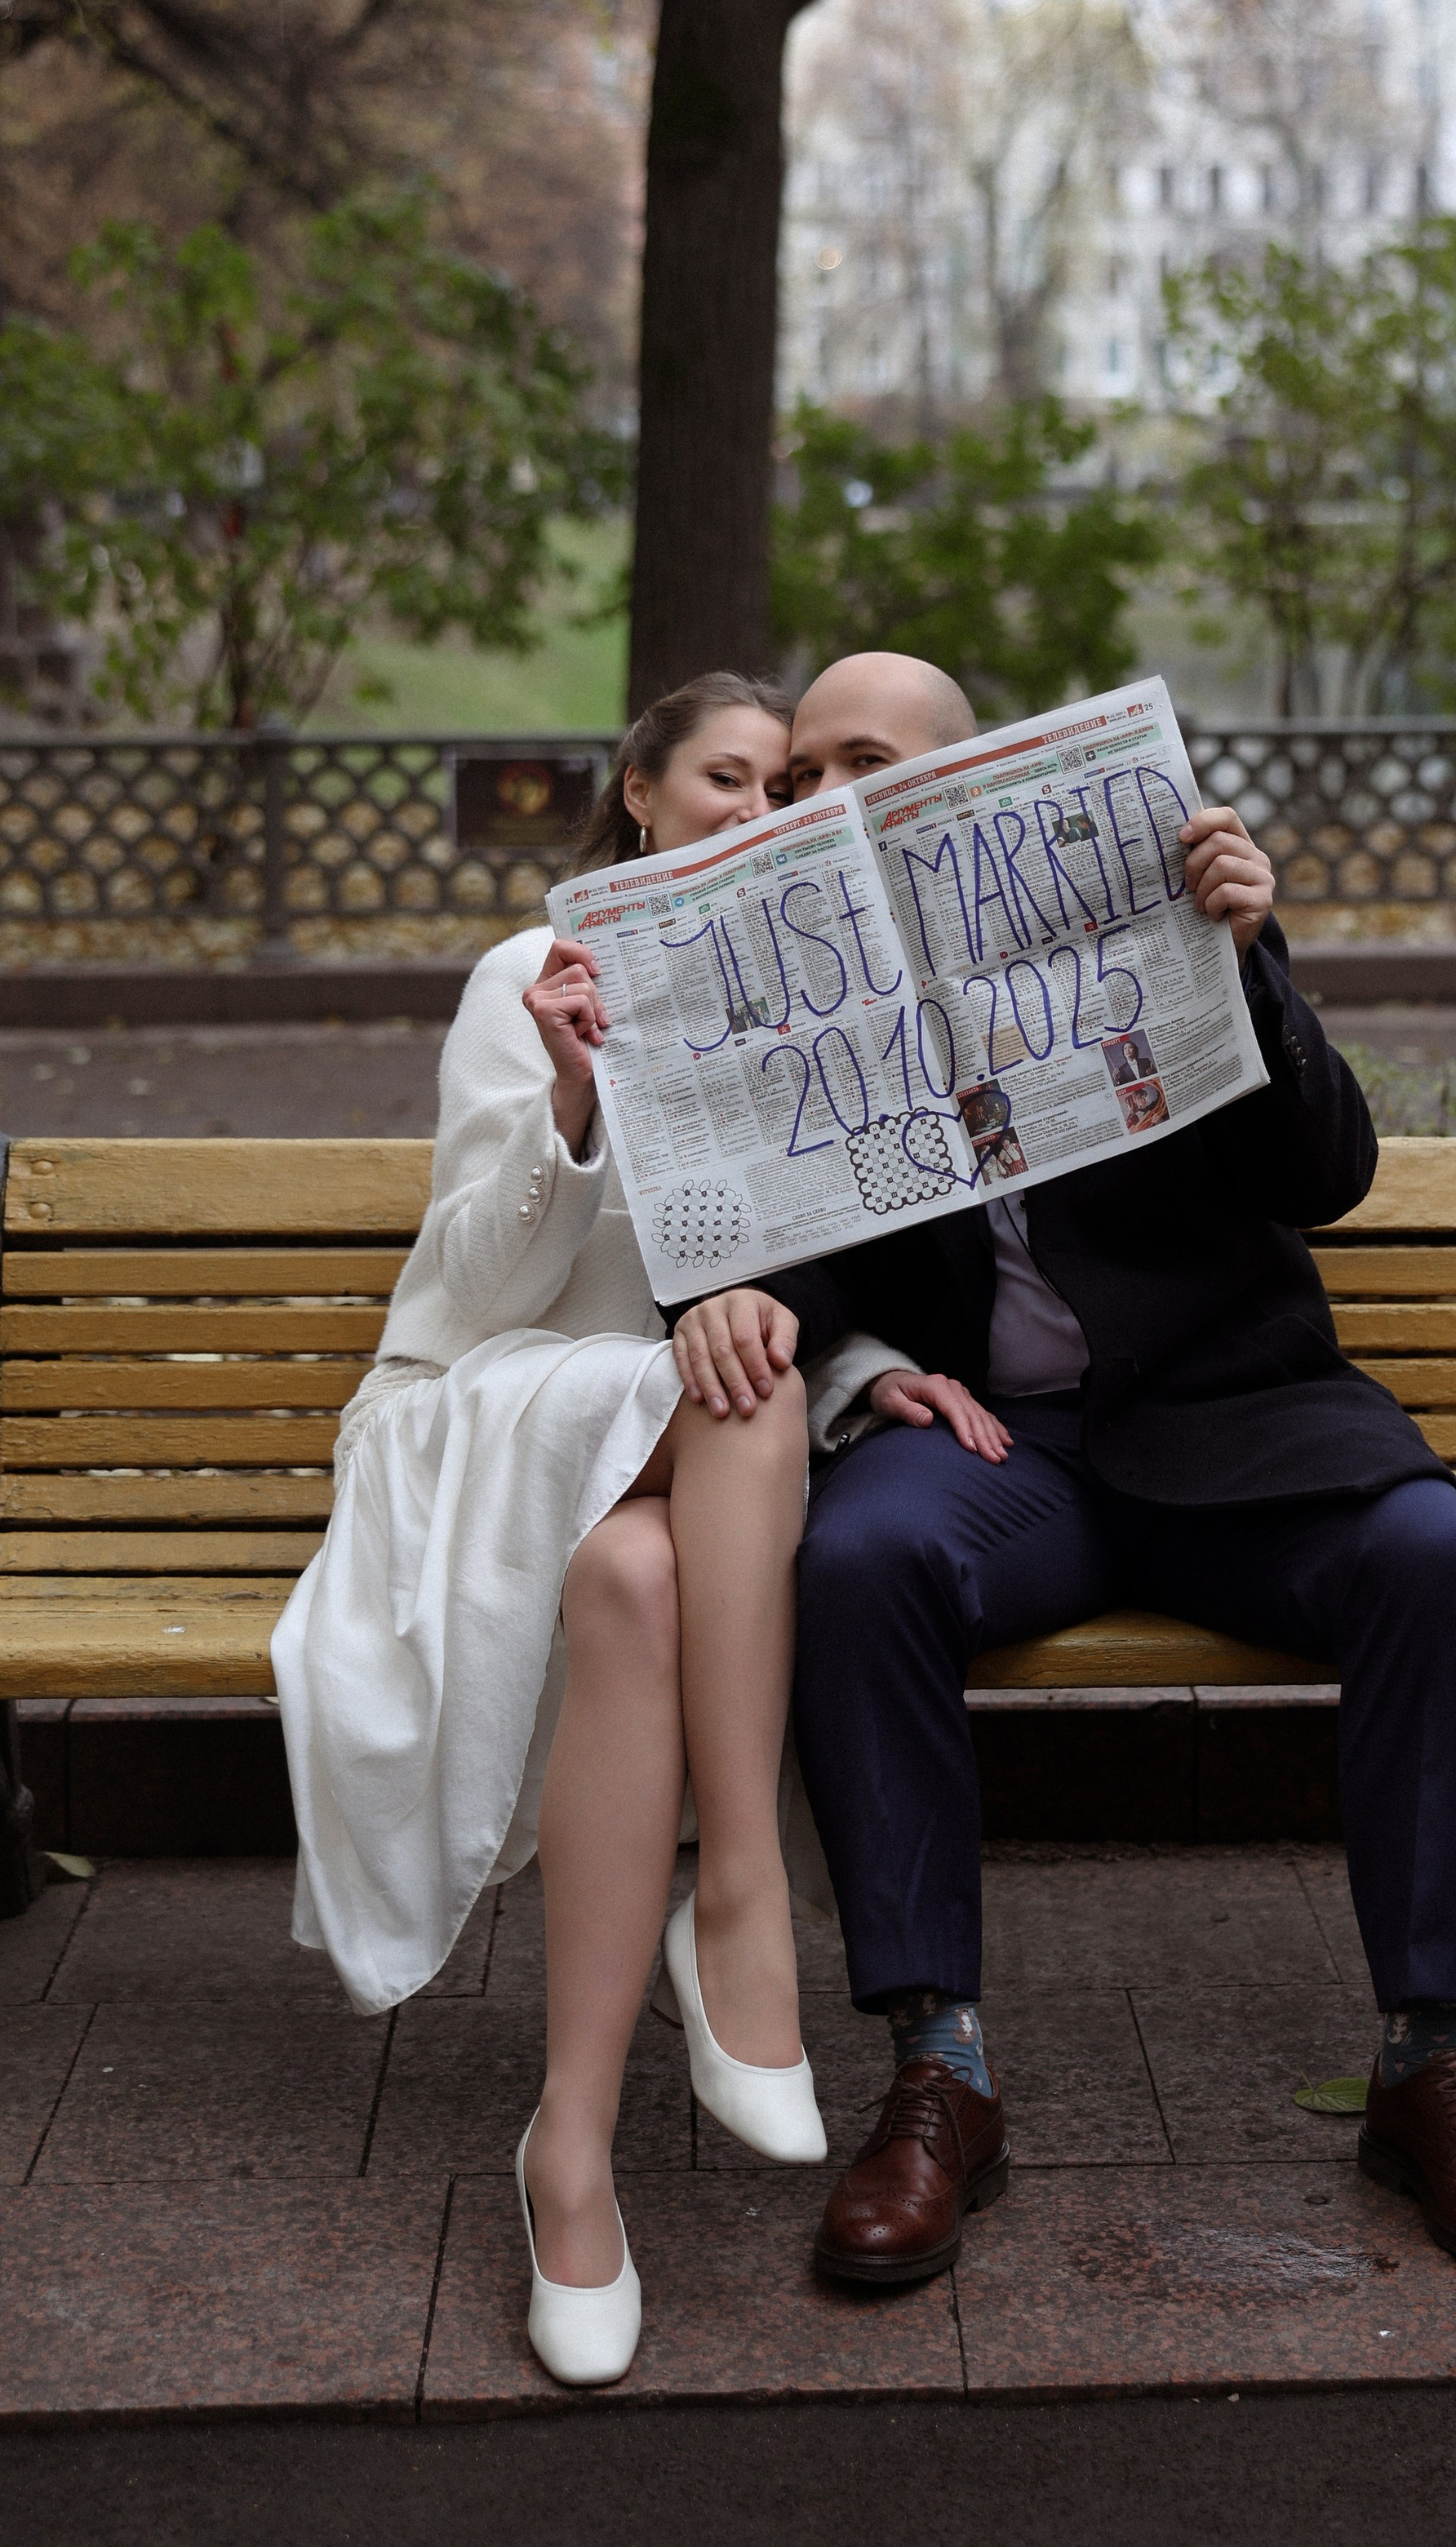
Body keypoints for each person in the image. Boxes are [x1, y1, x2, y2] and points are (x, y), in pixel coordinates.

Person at [716, 648, 1456, 2288]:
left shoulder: (1162, 912)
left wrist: (1248, 961)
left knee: (1420, 1556)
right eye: (799, 772)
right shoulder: (796, 989)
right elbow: (781, 1252)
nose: (820, 799)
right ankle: (936, 2075)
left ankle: (1428, 2061)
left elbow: (1325, 1176)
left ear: (966, 789)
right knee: (856, 1564)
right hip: (993, 1449)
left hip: (1230, 1426)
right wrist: (794, 1324)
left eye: (859, 763)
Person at [273, 671, 1006, 2389]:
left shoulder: (812, 994)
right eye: (724, 783)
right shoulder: (527, 976)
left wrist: (875, 1367)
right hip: (488, 1408)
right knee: (734, 1386)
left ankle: (571, 2151)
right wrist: (572, 1096)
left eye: (780, 790)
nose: (755, 816)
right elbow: (460, 1293)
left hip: (665, 1459)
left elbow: (816, 1272)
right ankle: (738, 1896)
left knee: (636, 1564)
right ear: (641, 790)